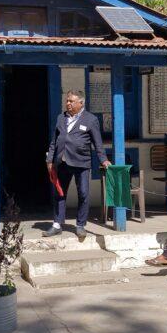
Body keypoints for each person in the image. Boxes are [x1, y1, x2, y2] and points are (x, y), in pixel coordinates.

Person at [45, 90, 111, 240]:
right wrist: (50, 159)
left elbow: (97, 143)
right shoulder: (60, 118)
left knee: (83, 194)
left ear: (80, 103)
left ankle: (80, 225)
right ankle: (57, 224)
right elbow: (54, 141)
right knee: (60, 193)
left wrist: (103, 160)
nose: (68, 103)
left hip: (81, 162)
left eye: (71, 101)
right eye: (67, 101)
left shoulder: (91, 119)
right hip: (61, 161)